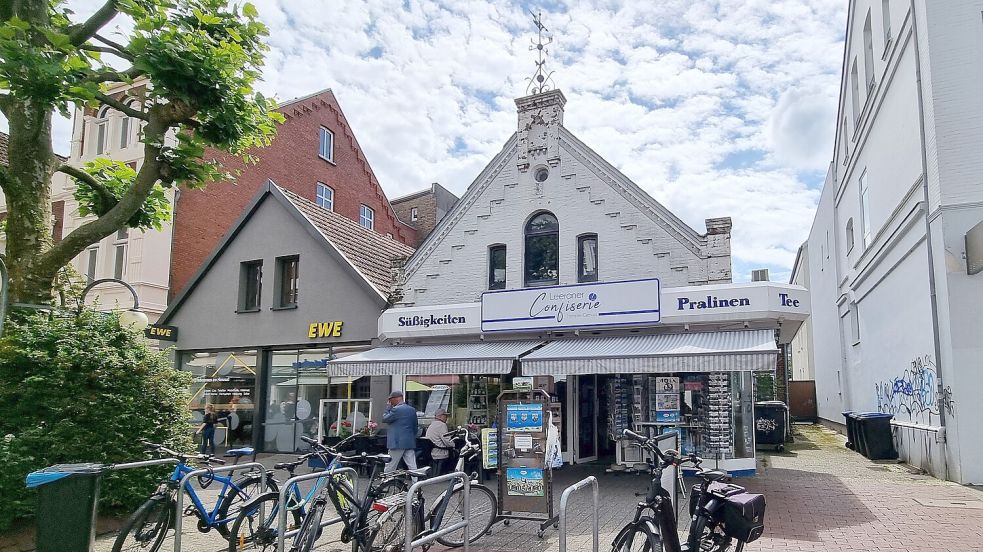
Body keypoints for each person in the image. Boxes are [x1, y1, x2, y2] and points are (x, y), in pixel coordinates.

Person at [382, 390, 419, 473]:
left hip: (396, 442)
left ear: (395, 399)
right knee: (412, 465)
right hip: (409, 442)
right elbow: (415, 426)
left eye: (390, 400)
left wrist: (388, 407)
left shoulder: (396, 410)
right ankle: (416, 483)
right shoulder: (412, 410)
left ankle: (385, 482)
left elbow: (385, 419)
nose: (389, 402)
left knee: (390, 464)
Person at [425, 408, 456, 476]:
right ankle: (452, 472)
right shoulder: (442, 425)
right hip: (439, 451)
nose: (446, 418)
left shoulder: (432, 424)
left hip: (432, 450)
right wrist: (454, 445)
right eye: (445, 416)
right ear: (440, 416)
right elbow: (446, 440)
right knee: (455, 452)